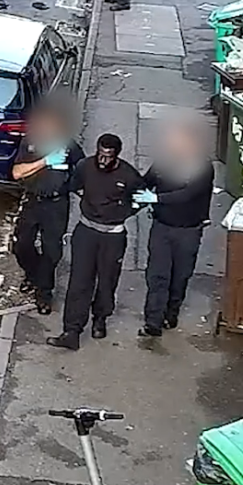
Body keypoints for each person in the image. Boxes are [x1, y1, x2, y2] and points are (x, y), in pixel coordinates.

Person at [48, 133, 145, 351]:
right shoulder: (85, 166)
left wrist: (124, 211)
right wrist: (88, 199)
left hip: (113, 236)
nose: (102, 160)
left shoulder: (128, 175)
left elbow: (142, 197)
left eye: (107, 157)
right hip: (86, 232)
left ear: (116, 156)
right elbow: (74, 185)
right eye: (100, 155)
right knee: (79, 282)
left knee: (107, 281)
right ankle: (71, 331)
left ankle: (100, 317)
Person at [134, 118, 214, 337]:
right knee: (157, 275)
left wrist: (156, 198)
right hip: (162, 228)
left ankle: (171, 312)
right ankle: (153, 321)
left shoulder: (202, 167)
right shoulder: (163, 162)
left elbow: (187, 194)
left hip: (188, 230)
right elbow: (145, 182)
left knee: (180, 275)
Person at [11, 102, 86, 315]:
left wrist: (77, 188)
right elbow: (17, 172)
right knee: (21, 246)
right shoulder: (30, 143)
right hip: (33, 201)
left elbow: (83, 171)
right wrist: (45, 161)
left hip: (56, 205)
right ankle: (33, 274)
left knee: (52, 251)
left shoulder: (69, 147)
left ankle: (44, 292)